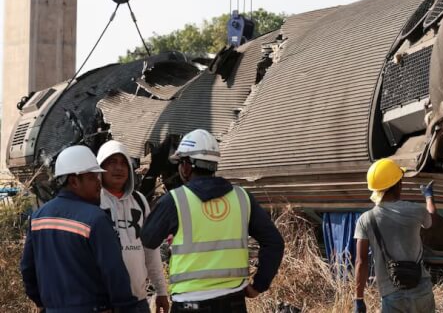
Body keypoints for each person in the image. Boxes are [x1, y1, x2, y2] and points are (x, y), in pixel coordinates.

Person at [141, 129, 285, 312]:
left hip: (190, 303)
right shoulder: (242, 198)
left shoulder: (175, 200)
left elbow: (148, 239)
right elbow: (274, 243)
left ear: (186, 166)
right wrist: (258, 285)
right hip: (234, 302)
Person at [20, 144, 139, 312]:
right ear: (74, 181)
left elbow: (27, 269)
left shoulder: (38, 217)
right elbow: (114, 273)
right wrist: (126, 306)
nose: (99, 184)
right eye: (92, 178)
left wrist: (41, 301)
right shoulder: (95, 219)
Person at [353, 158, 436, 313]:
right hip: (421, 290)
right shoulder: (416, 211)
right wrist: (428, 196)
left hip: (391, 294)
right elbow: (431, 218)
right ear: (399, 184)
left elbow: (361, 261)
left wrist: (359, 299)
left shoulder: (366, 219)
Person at [97, 140, 170, 313]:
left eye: (123, 163)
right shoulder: (94, 202)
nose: (119, 168)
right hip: (106, 305)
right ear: (100, 167)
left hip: (139, 302)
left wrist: (161, 291)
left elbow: (150, 249)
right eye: (112, 162)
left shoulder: (139, 201)